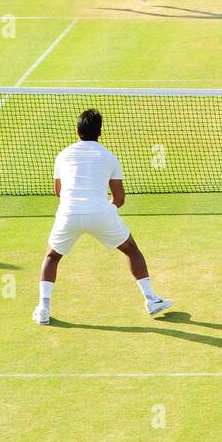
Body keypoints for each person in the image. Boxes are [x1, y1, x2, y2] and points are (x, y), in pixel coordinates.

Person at [33, 107, 173, 325]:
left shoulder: (62, 155)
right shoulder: (109, 157)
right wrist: (105, 212)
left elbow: (59, 192)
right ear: (100, 132)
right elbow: (119, 198)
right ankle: (151, 300)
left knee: (51, 257)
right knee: (131, 250)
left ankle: (43, 308)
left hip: (68, 213)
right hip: (100, 213)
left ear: (77, 130)